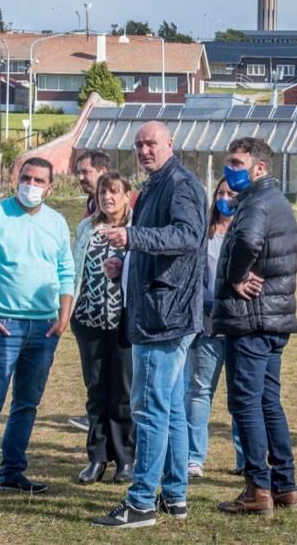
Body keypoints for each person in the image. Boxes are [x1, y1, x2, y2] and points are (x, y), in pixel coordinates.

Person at [91, 121, 206, 528]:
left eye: (151, 142)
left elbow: (187, 236)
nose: (144, 150)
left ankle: (140, 502)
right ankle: (174, 496)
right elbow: (162, 244)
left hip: (166, 317)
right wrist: (126, 264)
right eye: (138, 144)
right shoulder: (156, 185)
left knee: (150, 408)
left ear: (170, 144)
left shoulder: (181, 185)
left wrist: (132, 238)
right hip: (157, 310)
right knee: (170, 408)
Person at [0, 157, 75, 498]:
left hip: (44, 328)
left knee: (26, 403)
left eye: (40, 181)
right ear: (15, 180)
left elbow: (66, 271)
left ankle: (13, 471)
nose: (32, 185)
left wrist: (64, 315)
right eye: (26, 178)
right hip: (2, 325)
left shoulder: (57, 223)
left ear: (50, 187)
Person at [211, 138, 297, 517]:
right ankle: (285, 485)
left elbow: (247, 240)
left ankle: (258, 488)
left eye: (236, 162)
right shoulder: (274, 200)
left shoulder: (257, 202)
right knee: (267, 401)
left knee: (245, 403)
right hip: (273, 318)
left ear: (259, 168)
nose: (229, 168)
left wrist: (233, 277)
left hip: (251, 319)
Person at [71, 173, 136, 485]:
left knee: (123, 391)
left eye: (114, 192)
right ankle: (97, 457)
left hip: (124, 322)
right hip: (89, 319)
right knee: (96, 389)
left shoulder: (136, 227)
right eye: (103, 192)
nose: (107, 198)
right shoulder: (87, 227)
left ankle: (125, 458)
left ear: (126, 195)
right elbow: (74, 269)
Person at [184, 178, 243, 480]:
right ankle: (194, 457)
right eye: (220, 193)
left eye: (230, 194)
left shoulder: (246, 234)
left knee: (241, 395)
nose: (224, 198)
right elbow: (195, 281)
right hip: (207, 329)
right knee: (199, 391)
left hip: (238, 328)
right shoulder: (203, 236)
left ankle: (245, 457)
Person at [69, 150, 112, 433]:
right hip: (87, 308)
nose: (81, 177)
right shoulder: (89, 209)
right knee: (94, 373)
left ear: (103, 171)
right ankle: (96, 419)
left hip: (114, 308)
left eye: (86, 172)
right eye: (79, 172)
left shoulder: (127, 208)